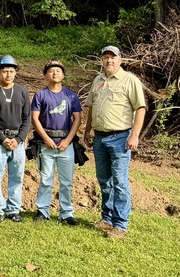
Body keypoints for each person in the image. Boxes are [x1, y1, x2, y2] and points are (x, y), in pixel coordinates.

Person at [83, 46, 146, 239]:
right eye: (106, 58)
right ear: (102, 61)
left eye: (113, 57)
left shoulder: (130, 80)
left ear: (120, 60)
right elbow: (91, 107)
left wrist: (134, 135)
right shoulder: (98, 80)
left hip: (120, 138)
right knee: (104, 180)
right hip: (100, 138)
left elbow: (141, 108)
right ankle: (107, 219)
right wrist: (87, 130)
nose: (109, 61)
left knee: (119, 181)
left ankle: (120, 225)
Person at [31, 60, 82, 226]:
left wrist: (68, 140)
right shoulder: (40, 95)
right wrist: (46, 138)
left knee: (66, 181)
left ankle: (66, 213)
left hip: (65, 144)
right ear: (45, 75)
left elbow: (77, 119)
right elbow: (35, 118)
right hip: (46, 144)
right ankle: (42, 210)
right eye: (51, 71)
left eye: (58, 71)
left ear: (63, 75)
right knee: (46, 178)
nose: (55, 73)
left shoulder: (71, 95)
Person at [0, 55, 31, 222]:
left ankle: (13, 210)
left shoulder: (22, 91)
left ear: (15, 72)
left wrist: (18, 139)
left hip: (17, 141)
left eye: (11, 71)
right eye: (5, 71)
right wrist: (2, 138)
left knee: (16, 177)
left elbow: (27, 118)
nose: (8, 74)